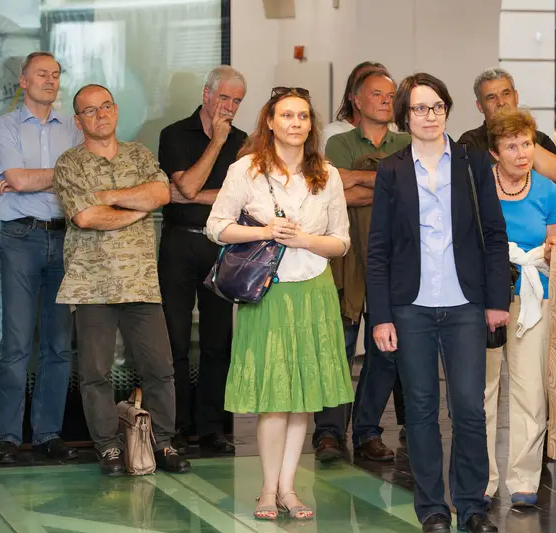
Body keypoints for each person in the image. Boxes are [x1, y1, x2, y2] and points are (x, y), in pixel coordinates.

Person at [366, 72, 509, 533]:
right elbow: (379, 249)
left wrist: (497, 300)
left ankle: (471, 506)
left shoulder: (472, 162)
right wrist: (381, 316)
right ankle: (431, 508)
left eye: (437, 106)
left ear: (447, 109)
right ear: (405, 116)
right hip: (410, 307)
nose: (430, 116)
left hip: (466, 303)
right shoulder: (391, 170)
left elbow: (494, 235)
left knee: (469, 408)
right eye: (420, 108)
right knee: (422, 410)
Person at [206, 86, 353, 521]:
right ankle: (267, 491)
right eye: (286, 115)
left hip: (314, 292)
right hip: (267, 292)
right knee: (273, 397)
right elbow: (216, 227)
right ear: (270, 122)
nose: (295, 123)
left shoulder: (327, 174)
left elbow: (342, 242)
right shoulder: (245, 170)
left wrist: (305, 240)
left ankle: (289, 489)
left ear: (311, 125)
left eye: (302, 116)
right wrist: (265, 231)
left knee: (302, 397)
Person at [53, 84, 190, 476]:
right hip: (91, 285)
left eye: (106, 106)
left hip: (141, 283)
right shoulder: (69, 164)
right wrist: (135, 209)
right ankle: (109, 448)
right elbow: (85, 217)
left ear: (115, 110)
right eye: (90, 110)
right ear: (78, 121)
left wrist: (109, 196)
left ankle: (162, 443)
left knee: (160, 368)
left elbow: (160, 193)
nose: (101, 115)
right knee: (96, 374)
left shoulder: (140, 154)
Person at [0, 51, 82, 465]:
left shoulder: (74, 129)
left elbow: (83, 179)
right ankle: (8, 438)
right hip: (20, 239)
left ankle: (48, 435)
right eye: (42, 74)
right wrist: (33, 179)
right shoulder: (4, 126)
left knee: (59, 345)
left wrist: (30, 180)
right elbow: (17, 178)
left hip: (65, 239)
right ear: (23, 81)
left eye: (56, 75)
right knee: (16, 344)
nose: (50, 80)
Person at [314, 69, 411, 463]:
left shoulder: (406, 142)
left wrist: (361, 181)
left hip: (396, 261)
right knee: (338, 346)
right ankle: (329, 433)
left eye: (390, 95)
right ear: (356, 99)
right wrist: (388, 181)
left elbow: (413, 190)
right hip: (347, 258)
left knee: (385, 350)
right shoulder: (339, 142)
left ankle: (368, 432)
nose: (386, 100)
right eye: (377, 94)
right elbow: (333, 189)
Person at [157, 65, 249, 455]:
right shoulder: (174, 134)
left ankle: (212, 427)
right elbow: (189, 184)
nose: (229, 106)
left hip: (221, 245)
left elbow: (240, 199)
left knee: (217, 341)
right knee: (174, 339)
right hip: (179, 242)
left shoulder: (244, 142)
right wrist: (217, 143)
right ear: (206, 94)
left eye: (237, 101)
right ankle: (175, 425)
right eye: (224, 97)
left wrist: (191, 193)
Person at [484, 109, 556, 507]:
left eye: (527, 144)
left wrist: (552, 250)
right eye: (512, 146)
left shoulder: (548, 191)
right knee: (481, 390)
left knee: (530, 390)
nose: (522, 153)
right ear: (495, 152)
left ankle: (524, 480)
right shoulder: (480, 186)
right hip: (486, 296)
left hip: (535, 294)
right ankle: (481, 479)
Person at [458, 67, 556, 185]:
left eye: (506, 94)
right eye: (491, 97)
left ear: (516, 97)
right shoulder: (470, 142)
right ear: (480, 106)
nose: (501, 103)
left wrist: (522, 136)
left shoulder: (538, 137)